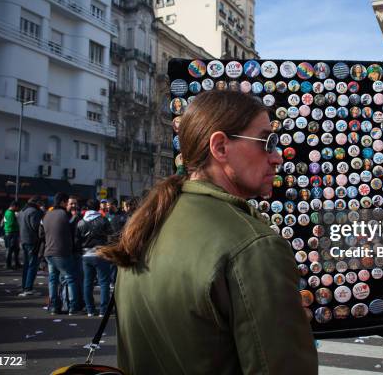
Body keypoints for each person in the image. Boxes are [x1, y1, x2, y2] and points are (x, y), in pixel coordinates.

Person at [100, 90, 317, 374]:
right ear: (221, 147)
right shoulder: (254, 244)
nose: (277, 158)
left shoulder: (148, 226)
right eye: (267, 142)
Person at [39, 192, 80, 315]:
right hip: (62, 252)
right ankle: (73, 307)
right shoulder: (65, 215)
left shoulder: (46, 214)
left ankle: (54, 306)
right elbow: (74, 232)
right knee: (70, 278)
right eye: (67, 202)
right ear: (63, 202)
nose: (69, 204)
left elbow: (40, 234)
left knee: (53, 279)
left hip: (49, 252)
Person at [76, 199, 113, 317]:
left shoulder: (81, 222)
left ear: (87, 208)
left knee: (87, 283)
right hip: (100, 254)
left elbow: (77, 240)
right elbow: (111, 234)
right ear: (98, 208)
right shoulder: (103, 220)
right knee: (104, 283)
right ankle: (103, 310)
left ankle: (90, 310)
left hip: (86, 255)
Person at [17, 196, 44, 296]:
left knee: (26, 264)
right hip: (32, 240)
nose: (40, 205)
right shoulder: (34, 211)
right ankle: (28, 288)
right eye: (40, 203)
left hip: (23, 239)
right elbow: (35, 226)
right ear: (36, 202)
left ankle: (24, 286)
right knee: (32, 265)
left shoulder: (22, 211)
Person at [3, 201, 20, 269]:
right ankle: (8, 264)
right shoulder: (10, 213)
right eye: (17, 207)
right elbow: (11, 223)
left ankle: (15, 263)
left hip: (10, 232)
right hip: (11, 232)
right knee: (10, 249)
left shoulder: (7, 212)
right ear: (14, 206)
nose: (17, 208)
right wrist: (17, 220)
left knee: (15, 249)